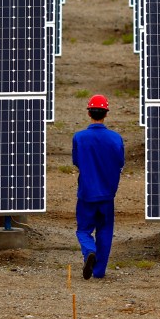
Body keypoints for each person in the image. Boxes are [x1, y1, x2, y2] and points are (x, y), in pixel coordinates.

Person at [71, 93, 124, 280]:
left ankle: (89, 250)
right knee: (105, 230)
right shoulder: (116, 139)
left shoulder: (79, 138)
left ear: (89, 113)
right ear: (106, 114)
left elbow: (76, 161)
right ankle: (99, 271)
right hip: (107, 194)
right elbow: (120, 162)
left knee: (84, 229)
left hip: (86, 193)